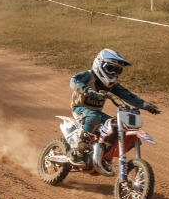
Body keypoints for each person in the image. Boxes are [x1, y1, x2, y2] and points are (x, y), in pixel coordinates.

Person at [68, 49, 160, 178]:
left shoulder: (112, 86)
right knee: (93, 117)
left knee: (113, 125)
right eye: (111, 69)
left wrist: (144, 105)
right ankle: (79, 149)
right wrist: (87, 90)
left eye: (118, 71)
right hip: (80, 108)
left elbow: (127, 95)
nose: (115, 74)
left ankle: (101, 152)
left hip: (96, 112)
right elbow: (73, 81)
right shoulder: (89, 76)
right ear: (100, 64)